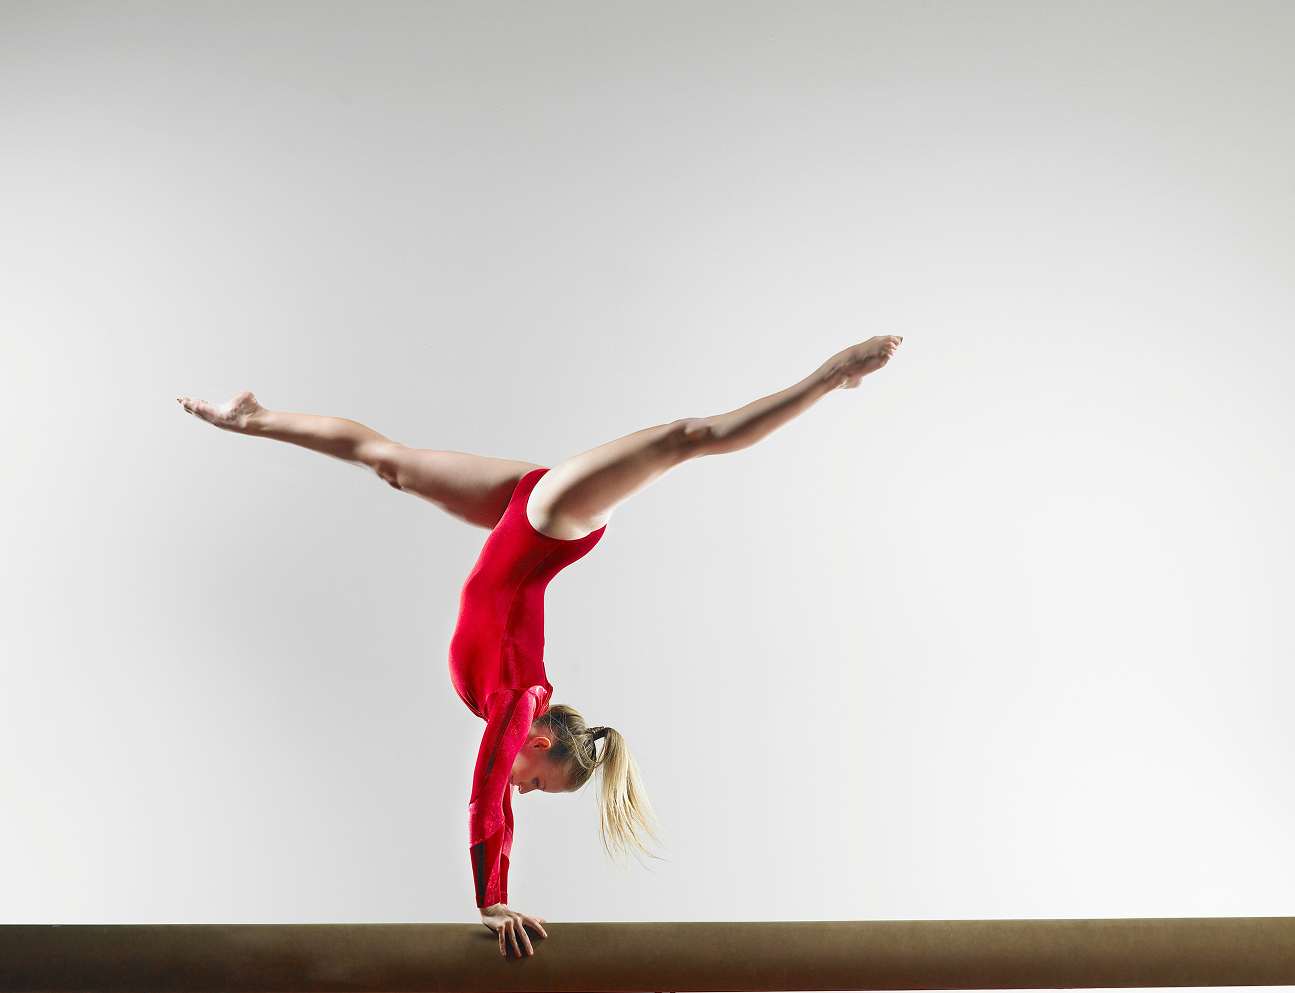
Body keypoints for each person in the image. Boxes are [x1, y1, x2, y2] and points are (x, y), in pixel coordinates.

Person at [179, 334, 902, 956]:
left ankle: (255, 417)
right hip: (552, 519)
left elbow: (498, 791)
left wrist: (493, 891)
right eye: (539, 780)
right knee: (690, 437)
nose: (522, 787)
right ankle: (833, 375)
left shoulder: (512, 706)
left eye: (532, 791)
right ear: (545, 741)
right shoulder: (519, 705)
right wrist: (492, 900)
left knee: (388, 463)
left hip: (521, 516)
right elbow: (488, 796)